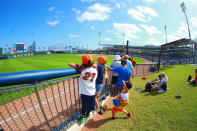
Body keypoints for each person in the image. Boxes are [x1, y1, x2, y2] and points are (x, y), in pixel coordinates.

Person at [68, 54, 98, 123]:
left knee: (84, 106)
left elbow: (70, 64)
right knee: (90, 105)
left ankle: (83, 116)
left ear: (84, 63)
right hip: (92, 91)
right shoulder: (95, 69)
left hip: (84, 92)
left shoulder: (81, 70)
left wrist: (78, 65)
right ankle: (87, 114)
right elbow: (95, 65)